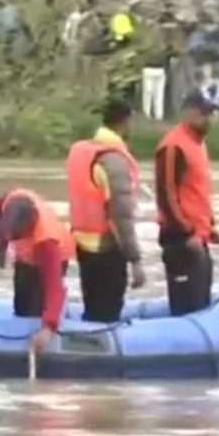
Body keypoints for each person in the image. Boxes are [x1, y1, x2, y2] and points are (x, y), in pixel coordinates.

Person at [67, 99, 145, 323]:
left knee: (93, 307)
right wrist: (135, 260)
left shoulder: (83, 152)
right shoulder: (113, 160)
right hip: (106, 247)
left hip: (83, 244)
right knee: (108, 311)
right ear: (125, 122)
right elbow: (121, 216)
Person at [155, 91, 219, 316]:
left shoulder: (198, 144)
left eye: (211, 114)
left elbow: (197, 191)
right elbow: (166, 195)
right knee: (186, 305)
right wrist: (187, 233)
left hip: (198, 237)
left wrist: (210, 226)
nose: (209, 119)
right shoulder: (173, 146)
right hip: (180, 239)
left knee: (201, 301)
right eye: (204, 113)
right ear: (189, 112)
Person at [0, 188, 75, 351]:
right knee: (22, 308)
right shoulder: (9, 202)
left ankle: (55, 319)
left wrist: (49, 328)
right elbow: (1, 223)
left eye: (19, 236)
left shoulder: (47, 241)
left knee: (38, 308)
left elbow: (54, 288)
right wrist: (1, 249)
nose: (16, 239)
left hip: (56, 253)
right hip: (25, 257)